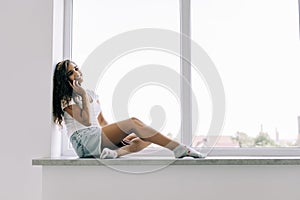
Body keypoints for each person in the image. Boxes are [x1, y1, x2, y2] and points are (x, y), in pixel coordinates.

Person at [52, 59, 206, 159]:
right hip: (83, 141)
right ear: (64, 79)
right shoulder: (66, 99)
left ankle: (115, 153)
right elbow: (86, 122)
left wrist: (118, 137)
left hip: (97, 136)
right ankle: (179, 148)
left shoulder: (92, 94)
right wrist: (83, 94)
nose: (77, 73)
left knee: (146, 136)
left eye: (76, 69)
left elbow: (102, 121)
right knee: (133, 122)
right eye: (71, 73)